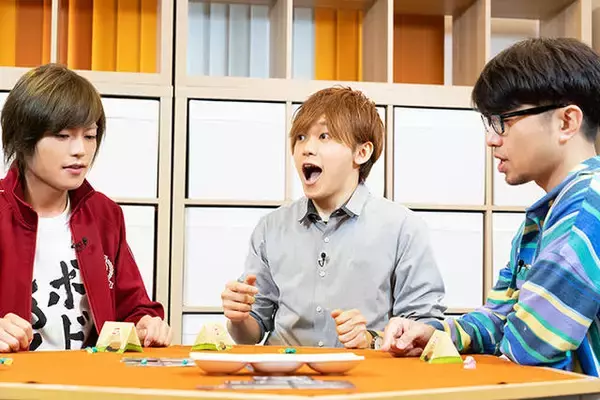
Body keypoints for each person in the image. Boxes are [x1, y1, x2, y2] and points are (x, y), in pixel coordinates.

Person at [381, 37, 600, 376]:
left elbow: (530, 346)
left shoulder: (587, 206)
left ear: (566, 122)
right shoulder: (547, 213)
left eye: (504, 121)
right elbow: (503, 317)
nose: (491, 138)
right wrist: (439, 334)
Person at [221, 86, 446, 349]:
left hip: (365, 373)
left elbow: (422, 327)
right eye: (301, 137)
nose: (307, 148)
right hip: (284, 372)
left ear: (362, 152)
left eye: (324, 136)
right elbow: (251, 333)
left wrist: (371, 339)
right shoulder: (270, 227)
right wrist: (238, 318)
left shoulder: (403, 227)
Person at [0, 63, 172, 352]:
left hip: (88, 376)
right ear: (23, 138)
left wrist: (145, 323)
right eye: (62, 135)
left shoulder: (104, 214)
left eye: (89, 136)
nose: (80, 150)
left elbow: (132, 306)